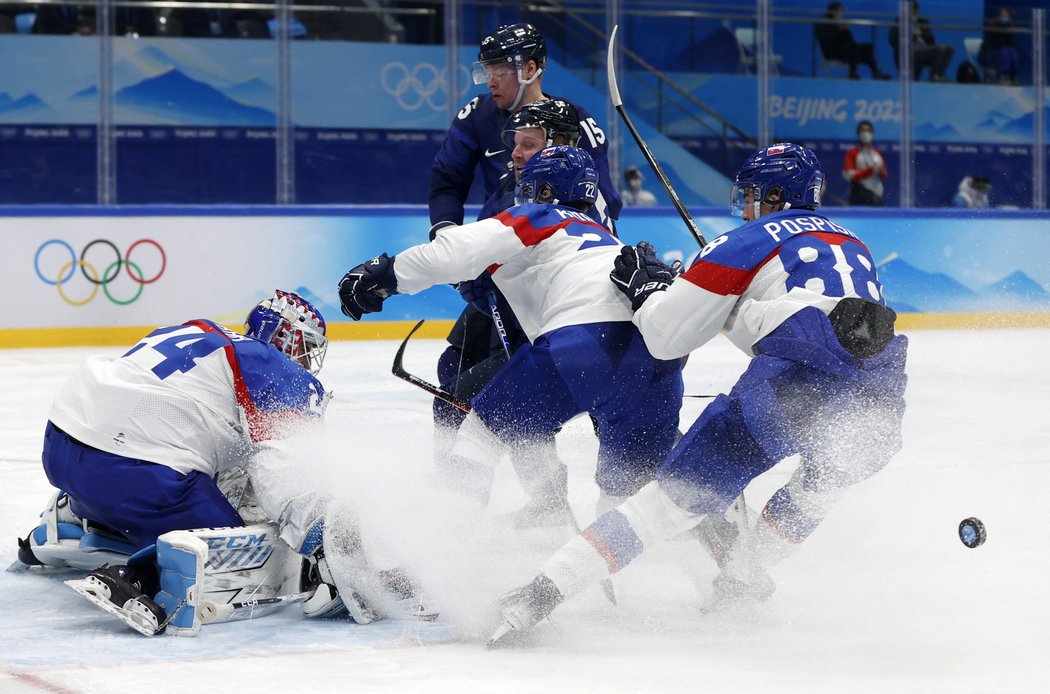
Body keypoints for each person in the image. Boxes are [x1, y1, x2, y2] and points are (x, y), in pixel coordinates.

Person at [489, 143, 909, 644]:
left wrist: (647, 293)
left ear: (776, 196)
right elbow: (805, 321)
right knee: (818, 491)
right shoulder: (853, 243)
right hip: (879, 399)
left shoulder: (743, 240)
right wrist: (733, 304)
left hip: (794, 386)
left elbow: (668, 337)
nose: (746, 206)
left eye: (752, 196)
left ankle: (537, 596)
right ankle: (743, 581)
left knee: (664, 507)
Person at [16, 291, 423, 634]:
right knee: (242, 545)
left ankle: (71, 521)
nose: (307, 361)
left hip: (62, 449)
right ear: (290, 339)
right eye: (307, 348)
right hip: (136, 474)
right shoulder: (274, 366)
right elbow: (281, 460)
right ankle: (137, 578)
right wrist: (318, 540)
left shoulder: (194, 331)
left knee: (176, 465)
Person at [339, 145, 684, 520]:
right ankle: (719, 562)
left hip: (585, 344)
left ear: (547, 191)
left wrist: (384, 275)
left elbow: (454, 252)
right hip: (656, 359)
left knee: (480, 435)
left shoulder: (541, 216)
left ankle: (440, 549)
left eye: (531, 186)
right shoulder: (605, 237)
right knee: (631, 498)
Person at [427, 22, 622, 527]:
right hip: (496, 273)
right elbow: (448, 180)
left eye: (499, 69)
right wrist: (453, 240)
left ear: (530, 68)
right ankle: (542, 500)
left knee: (501, 393)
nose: (489, 79)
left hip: (543, 282)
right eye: (485, 68)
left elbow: (601, 204)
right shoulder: (478, 117)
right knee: (458, 373)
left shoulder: (574, 124)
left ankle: (613, 505)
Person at [814, 2, 889, 80]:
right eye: (840, 10)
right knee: (855, 50)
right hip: (833, 51)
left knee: (867, 50)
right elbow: (826, 39)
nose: (842, 13)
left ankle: (876, 73)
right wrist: (839, 30)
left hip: (846, 49)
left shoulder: (840, 22)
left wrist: (846, 30)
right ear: (833, 11)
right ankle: (852, 73)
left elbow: (849, 40)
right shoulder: (824, 22)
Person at [890, 1, 954, 82]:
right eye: (912, 10)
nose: (915, 13)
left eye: (916, 10)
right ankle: (934, 77)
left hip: (924, 48)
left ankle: (939, 75)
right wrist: (910, 33)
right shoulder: (899, 22)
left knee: (950, 49)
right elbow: (892, 40)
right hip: (910, 50)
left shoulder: (923, 22)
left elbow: (930, 39)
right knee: (940, 49)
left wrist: (921, 34)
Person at [843, 120, 887, 206]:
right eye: (863, 130)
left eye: (869, 130)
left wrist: (881, 172)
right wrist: (870, 171)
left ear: (872, 133)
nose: (866, 133)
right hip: (859, 196)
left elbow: (884, 174)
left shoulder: (877, 152)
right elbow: (848, 175)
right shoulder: (853, 153)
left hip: (876, 196)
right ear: (858, 134)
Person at [980, 6, 1019, 85]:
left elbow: (1010, 41)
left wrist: (1009, 27)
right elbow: (989, 41)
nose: (1004, 17)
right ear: (998, 16)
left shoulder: (1009, 25)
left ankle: (1012, 78)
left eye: (1006, 16)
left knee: (1011, 55)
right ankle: (999, 76)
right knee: (1003, 53)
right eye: (1002, 15)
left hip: (1005, 50)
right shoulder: (992, 24)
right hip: (992, 50)